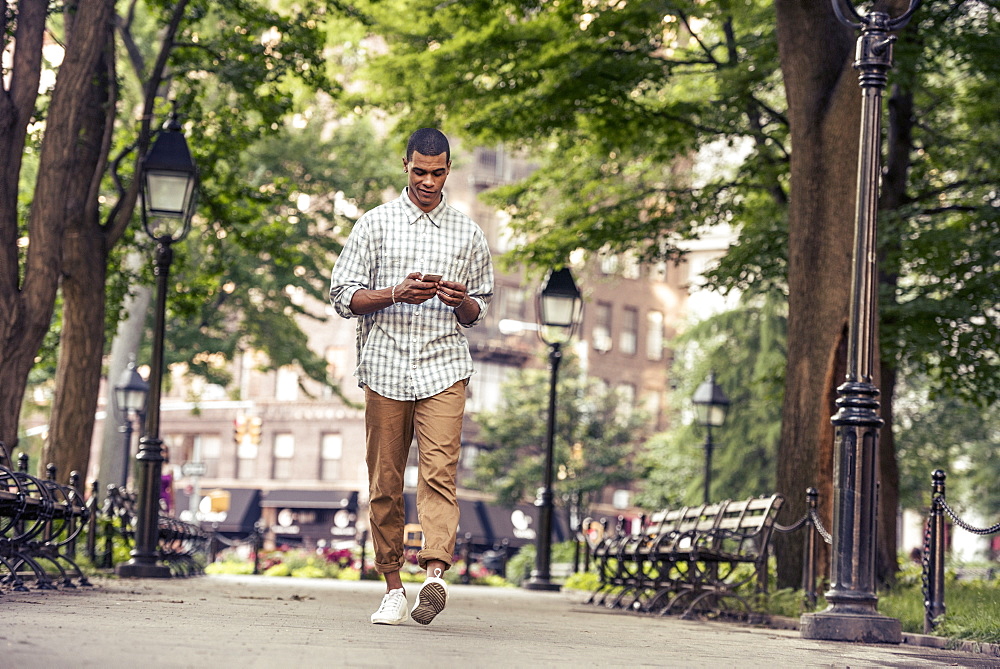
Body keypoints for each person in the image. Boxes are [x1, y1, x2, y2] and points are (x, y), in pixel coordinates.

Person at [329, 128, 494, 626]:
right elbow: (343, 295)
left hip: (444, 366)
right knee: (384, 479)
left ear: (449, 170)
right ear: (405, 165)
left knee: (440, 473)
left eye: (437, 172)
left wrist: (460, 300)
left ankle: (435, 575)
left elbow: (479, 307)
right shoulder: (374, 225)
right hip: (385, 366)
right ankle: (393, 587)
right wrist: (395, 293)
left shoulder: (468, 233)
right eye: (419, 171)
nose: (428, 181)